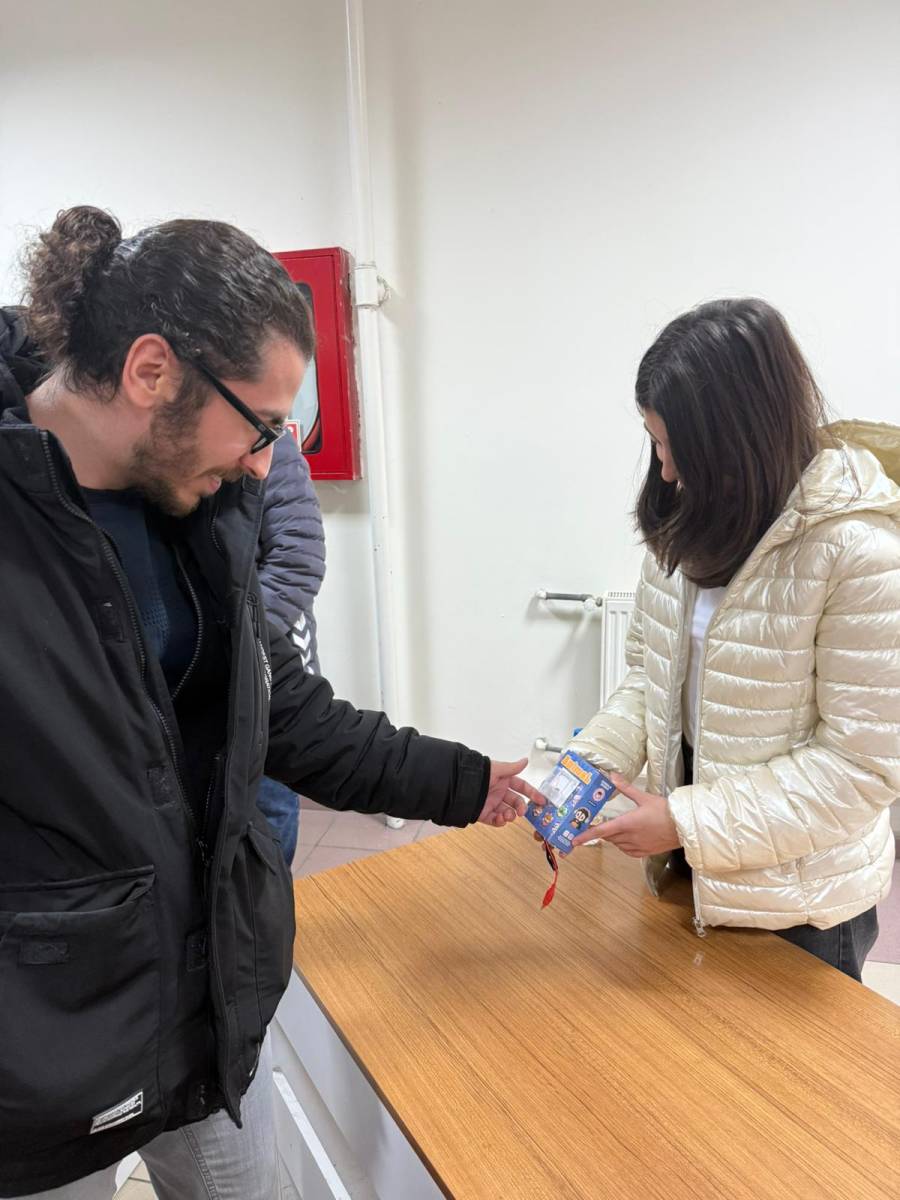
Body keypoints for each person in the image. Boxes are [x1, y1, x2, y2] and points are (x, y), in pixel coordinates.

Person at [0, 207, 544, 1200]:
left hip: (203, 1023)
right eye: (259, 427)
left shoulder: (201, 508)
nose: (266, 462)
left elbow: (279, 710)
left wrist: (469, 782)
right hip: (38, 1065)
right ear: (152, 371)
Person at [566, 298, 899, 981]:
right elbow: (649, 680)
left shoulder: (859, 552)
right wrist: (589, 766)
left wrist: (685, 823)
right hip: (696, 870)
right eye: (656, 444)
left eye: (675, 448)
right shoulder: (686, 523)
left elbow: (860, 769)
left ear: (735, 438)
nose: (665, 470)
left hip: (801, 905)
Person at [255, 430, 325, 864]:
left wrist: (231, 643)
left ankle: (269, 896)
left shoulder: (271, 445)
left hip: (265, 663)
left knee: (272, 801)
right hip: (182, 682)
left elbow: (296, 563)